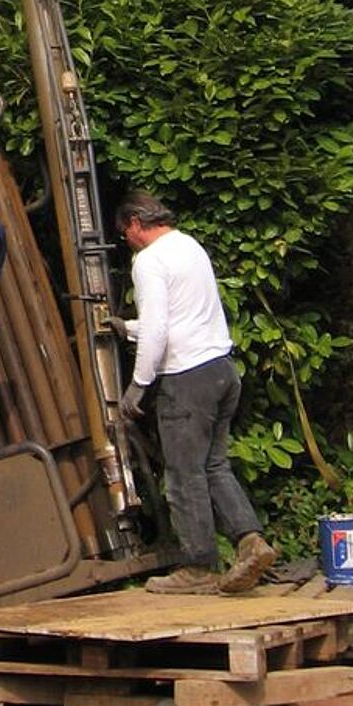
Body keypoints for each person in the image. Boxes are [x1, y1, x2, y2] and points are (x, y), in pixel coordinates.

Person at [113, 192, 276, 595]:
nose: (127, 241)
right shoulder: (189, 246)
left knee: (184, 474)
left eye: (125, 233)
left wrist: (139, 384)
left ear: (136, 222)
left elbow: (159, 329)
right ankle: (251, 542)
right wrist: (128, 328)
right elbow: (182, 316)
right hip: (221, 370)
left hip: (186, 381)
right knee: (213, 465)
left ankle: (199, 568)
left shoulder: (148, 261)